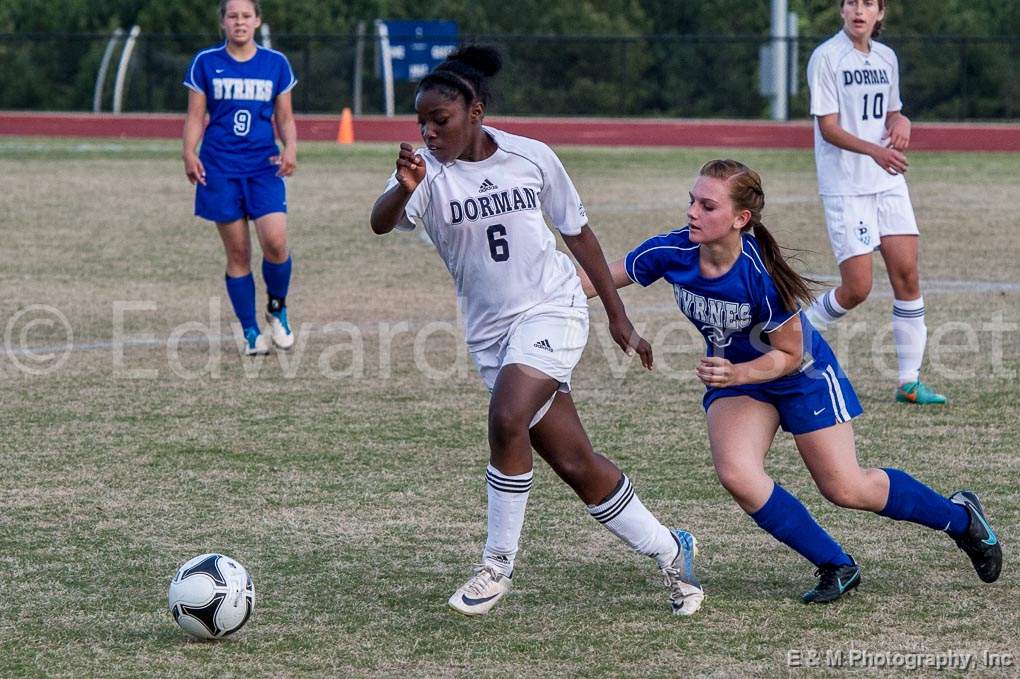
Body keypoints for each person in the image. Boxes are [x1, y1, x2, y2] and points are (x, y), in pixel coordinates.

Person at [369, 46, 704, 617]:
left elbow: (579, 234)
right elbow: (380, 222)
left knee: (507, 418)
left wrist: (618, 315)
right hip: (490, 336)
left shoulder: (532, 157)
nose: (428, 132)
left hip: (554, 309)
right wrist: (402, 186)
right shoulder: (426, 173)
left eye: (440, 120)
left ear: (475, 111)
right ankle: (672, 548)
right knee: (575, 464)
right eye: (420, 122)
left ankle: (496, 565)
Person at [581, 159, 1001, 603]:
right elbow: (596, 278)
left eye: (707, 206)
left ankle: (961, 518)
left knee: (845, 487)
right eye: (692, 201)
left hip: (799, 374)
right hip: (740, 380)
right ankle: (836, 564)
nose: (692, 213)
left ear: (740, 220)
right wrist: (538, 292)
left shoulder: (760, 277)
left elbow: (790, 353)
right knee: (739, 475)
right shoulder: (671, 251)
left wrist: (736, 372)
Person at [804, 0, 945, 404]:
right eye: (851, 2)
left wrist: (903, 122)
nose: (859, 10)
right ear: (841, 10)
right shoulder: (826, 57)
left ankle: (909, 382)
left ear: (880, 13)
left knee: (907, 276)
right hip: (847, 186)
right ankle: (794, 335)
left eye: (868, 3)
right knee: (857, 288)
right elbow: (828, 129)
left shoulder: (886, 57)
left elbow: (893, 113)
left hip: (887, 184)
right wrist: (876, 152)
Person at [182, 0, 297, 356]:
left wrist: (291, 147)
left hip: (263, 166)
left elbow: (286, 117)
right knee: (238, 252)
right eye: (232, 16)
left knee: (275, 242)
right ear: (223, 23)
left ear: (258, 20)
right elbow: (195, 116)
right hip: (219, 168)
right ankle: (250, 331)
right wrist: (188, 151)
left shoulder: (275, 63)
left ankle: (277, 308)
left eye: (246, 15)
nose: (240, 21)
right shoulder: (206, 62)